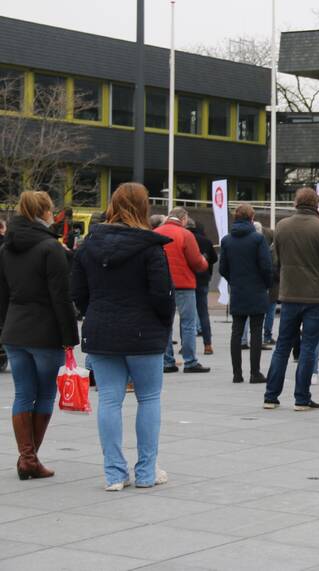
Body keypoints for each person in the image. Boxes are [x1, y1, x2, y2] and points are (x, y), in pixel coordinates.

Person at [71, 183, 174, 489]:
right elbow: (162, 295)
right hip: (144, 331)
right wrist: (163, 325)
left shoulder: (88, 246)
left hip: (102, 329)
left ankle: (114, 473)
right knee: (149, 398)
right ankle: (146, 471)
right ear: (144, 207)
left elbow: (78, 293)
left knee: (109, 400)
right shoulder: (151, 247)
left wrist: (96, 312)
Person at [0, 191, 79, 480]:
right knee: (45, 393)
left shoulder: (7, 247)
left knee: (23, 393)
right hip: (45, 331)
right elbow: (61, 297)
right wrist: (70, 337)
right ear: (44, 212)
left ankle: (27, 458)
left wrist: (5, 325)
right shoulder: (50, 247)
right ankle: (29, 459)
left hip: (15, 329)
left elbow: (2, 294)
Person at [264, 188, 319, 411]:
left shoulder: (282, 226)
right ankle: (301, 398)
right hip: (316, 297)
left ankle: (270, 396)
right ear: (317, 204)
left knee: (282, 346)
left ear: (295, 203)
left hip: (289, 294)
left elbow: (275, 260)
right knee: (309, 347)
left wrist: (284, 280)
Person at [218, 204, 272, 384]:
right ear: (251, 218)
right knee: (256, 331)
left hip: (238, 289)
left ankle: (237, 374)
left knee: (236, 331)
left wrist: (233, 280)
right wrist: (266, 284)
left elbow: (222, 268)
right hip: (257, 289)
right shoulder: (258, 239)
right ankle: (255, 373)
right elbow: (266, 266)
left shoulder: (226, 240)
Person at [155, 207, 210, 374]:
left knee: (165, 323)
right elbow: (196, 262)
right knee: (188, 324)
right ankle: (190, 361)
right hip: (184, 284)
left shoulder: (156, 233)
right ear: (183, 218)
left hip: (162, 284)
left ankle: (167, 361)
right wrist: (204, 261)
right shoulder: (186, 234)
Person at [187, 220, 217, 356]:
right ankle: (207, 344)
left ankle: (186, 345)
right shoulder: (206, 241)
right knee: (203, 313)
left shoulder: (184, 238)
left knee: (186, 316)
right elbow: (214, 258)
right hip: (203, 279)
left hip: (187, 279)